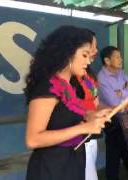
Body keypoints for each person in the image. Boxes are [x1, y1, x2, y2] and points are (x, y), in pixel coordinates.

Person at [24, 26, 111, 180]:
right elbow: (33, 139)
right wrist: (84, 127)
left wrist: (91, 115)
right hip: (51, 168)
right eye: (84, 55)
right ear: (67, 55)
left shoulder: (68, 85)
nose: (88, 61)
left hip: (71, 162)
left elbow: (66, 116)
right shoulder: (47, 87)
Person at [97, 46, 128, 180]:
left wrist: (122, 92)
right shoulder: (102, 78)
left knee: (127, 152)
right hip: (113, 121)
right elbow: (114, 102)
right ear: (107, 61)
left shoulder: (122, 73)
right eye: (117, 57)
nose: (121, 59)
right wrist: (126, 94)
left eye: (120, 56)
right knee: (114, 155)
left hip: (126, 118)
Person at [70, 29, 100, 180]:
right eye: (90, 48)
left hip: (90, 132)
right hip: (79, 135)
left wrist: (98, 112)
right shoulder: (67, 79)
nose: (95, 50)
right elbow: (72, 107)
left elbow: (93, 99)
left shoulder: (87, 73)